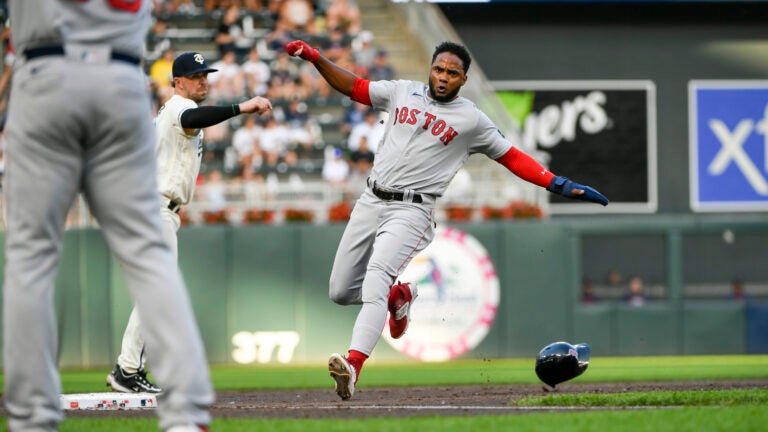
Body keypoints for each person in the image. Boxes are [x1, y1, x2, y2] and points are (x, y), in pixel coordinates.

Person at [285, 39, 609, 401]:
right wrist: (315, 57)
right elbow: (354, 86)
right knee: (341, 291)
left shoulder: (471, 119)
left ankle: (353, 366)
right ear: (431, 68)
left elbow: (513, 157)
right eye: (439, 69)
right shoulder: (401, 92)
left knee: (375, 277)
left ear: (463, 80)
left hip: (412, 210)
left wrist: (558, 184)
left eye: (452, 73)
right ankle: (399, 297)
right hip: (371, 198)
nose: (443, 77)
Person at [3, 2, 214, 432]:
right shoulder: (178, 108)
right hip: (119, 79)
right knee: (150, 258)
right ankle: (186, 415)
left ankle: (31, 419)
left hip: (42, 72)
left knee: (30, 256)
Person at [107, 52, 272, 396]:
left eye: (205, 75)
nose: (203, 81)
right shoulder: (178, 108)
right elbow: (197, 117)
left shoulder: (175, 113)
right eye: (195, 76)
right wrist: (242, 107)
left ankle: (130, 368)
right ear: (177, 82)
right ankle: (127, 370)